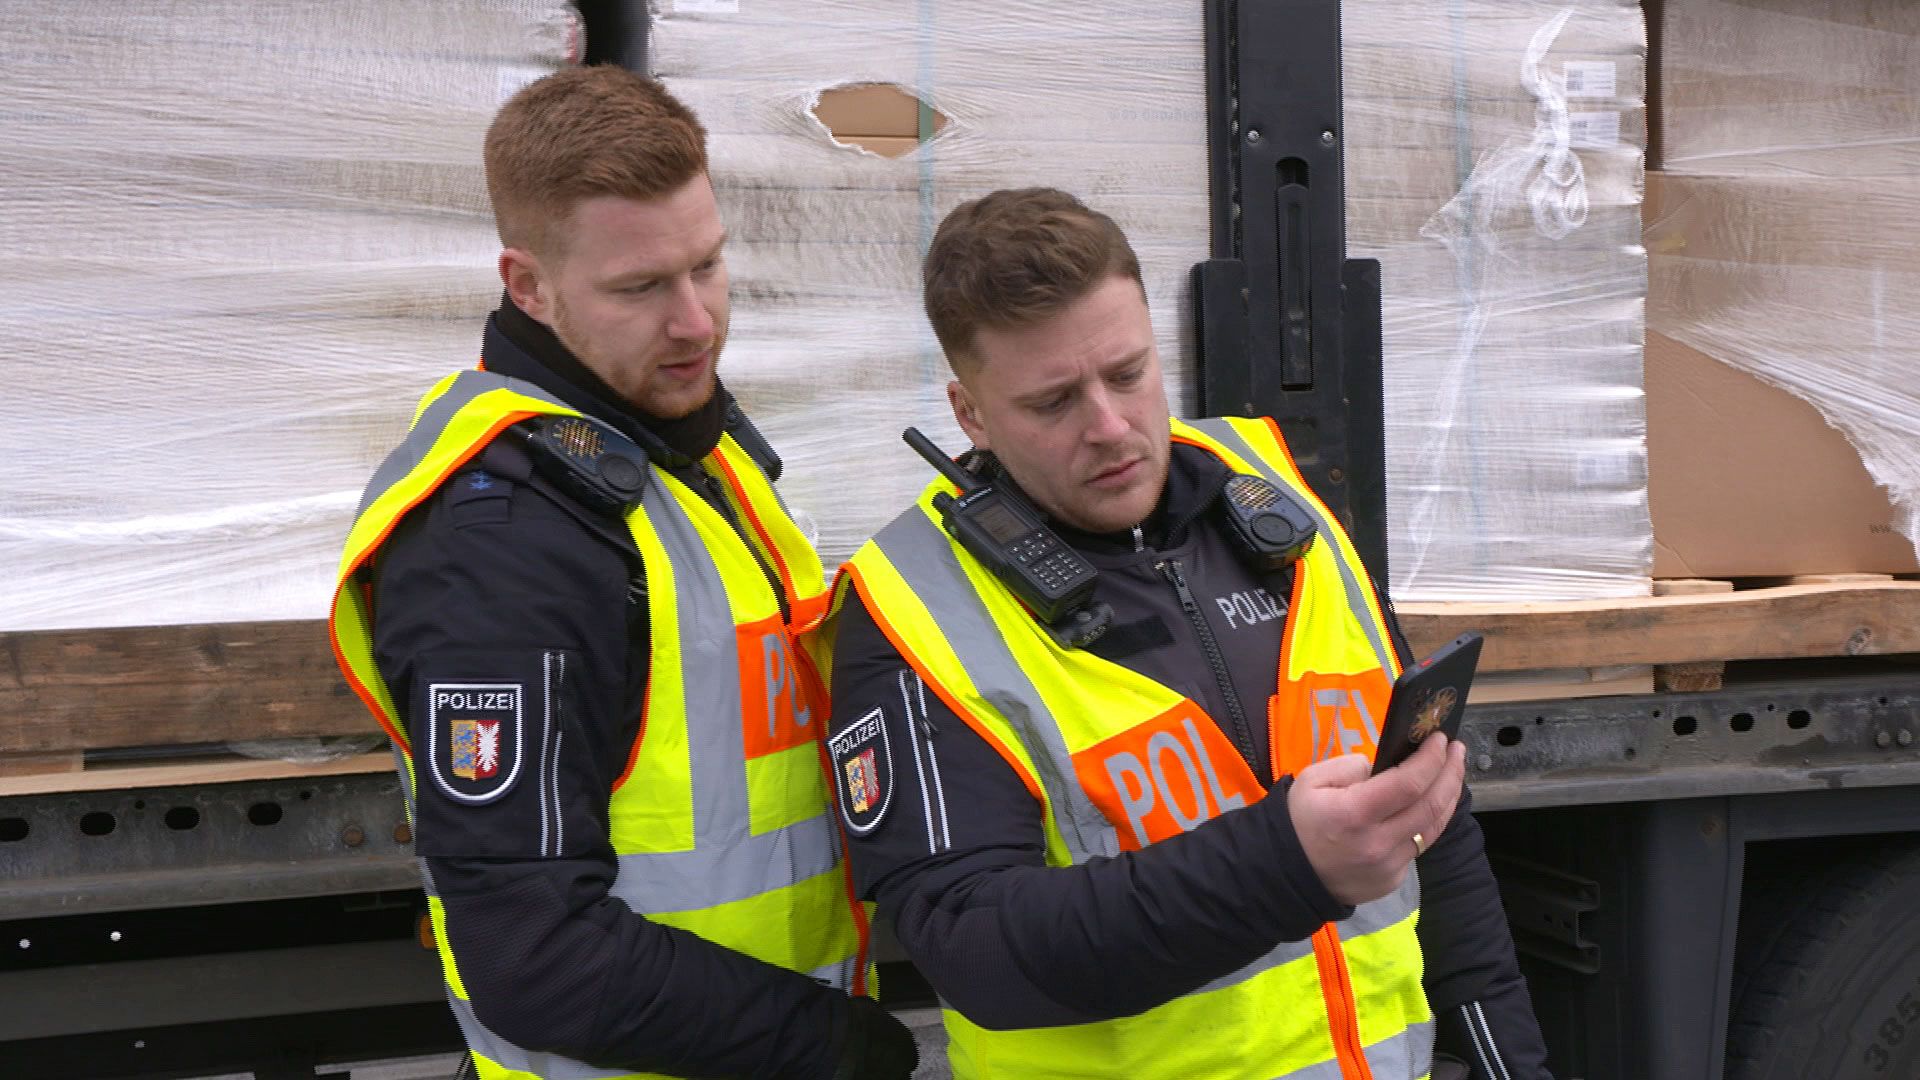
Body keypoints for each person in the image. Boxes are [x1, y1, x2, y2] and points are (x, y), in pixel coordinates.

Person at [814, 187, 1550, 1079]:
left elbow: (1438, 841)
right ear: (969, 413)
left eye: (1127, 373)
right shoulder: (911, 608)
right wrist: (1285, 863)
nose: (1110, 426)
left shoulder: (1274, 496)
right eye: (1053, 402)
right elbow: (976, 950)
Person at [327, 65, 916, 1080]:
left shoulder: (685, 451)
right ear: (529, 285)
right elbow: (535, 956)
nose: (696, 321)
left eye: (708, 265)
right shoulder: (504, 545)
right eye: (642, 287)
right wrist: (836, 1048)